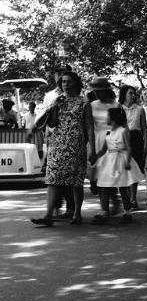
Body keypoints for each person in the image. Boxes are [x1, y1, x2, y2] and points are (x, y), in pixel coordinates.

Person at [31, 71, 95, 226]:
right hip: (58, 144)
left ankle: (77, 213)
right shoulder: (58, 101)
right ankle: (48, 215)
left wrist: (92, 148)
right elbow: (50, 124)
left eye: (69, 81)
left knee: (75, 181)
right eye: (63, 82)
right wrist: (54, 106)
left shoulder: (84, 103)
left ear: (75, 83)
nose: (66, 84)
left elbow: (89, 128)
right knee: (53, 179)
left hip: (76, 145)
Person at [91, 107, 145, 224]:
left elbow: (129, 146)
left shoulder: (123, 130)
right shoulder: (108, 132)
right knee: (104, 185)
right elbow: (104, 149)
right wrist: (95, 157)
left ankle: (127, 211)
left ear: (114, 118)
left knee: (123, 187)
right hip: (109, 160)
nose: (107, 118)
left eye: (108, 116)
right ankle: (104, 211)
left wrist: (127, 161)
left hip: (121, 159)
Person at [88, 77, 120, 199]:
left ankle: (114, 200)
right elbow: (89, 126)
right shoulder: (92, 106)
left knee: (110, 175)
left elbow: (120, 126)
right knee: (99, 177)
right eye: (95, 91)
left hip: (112, 141)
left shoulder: (115, 105)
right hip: (96, 141)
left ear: (106, 90)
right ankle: (105, 207)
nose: (96, 93)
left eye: (99, 90)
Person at [119, 85, 147, 209]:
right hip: (121, 138)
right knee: (123, 168)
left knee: (135, 168)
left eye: (134, 93)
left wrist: (146, 143)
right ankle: (126, 197)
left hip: (136, 138)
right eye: (130, 93)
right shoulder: (118, 108)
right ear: (124, 94)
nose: (133, 95)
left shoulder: (140, 109)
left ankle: (133, 198)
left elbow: (144, 129)